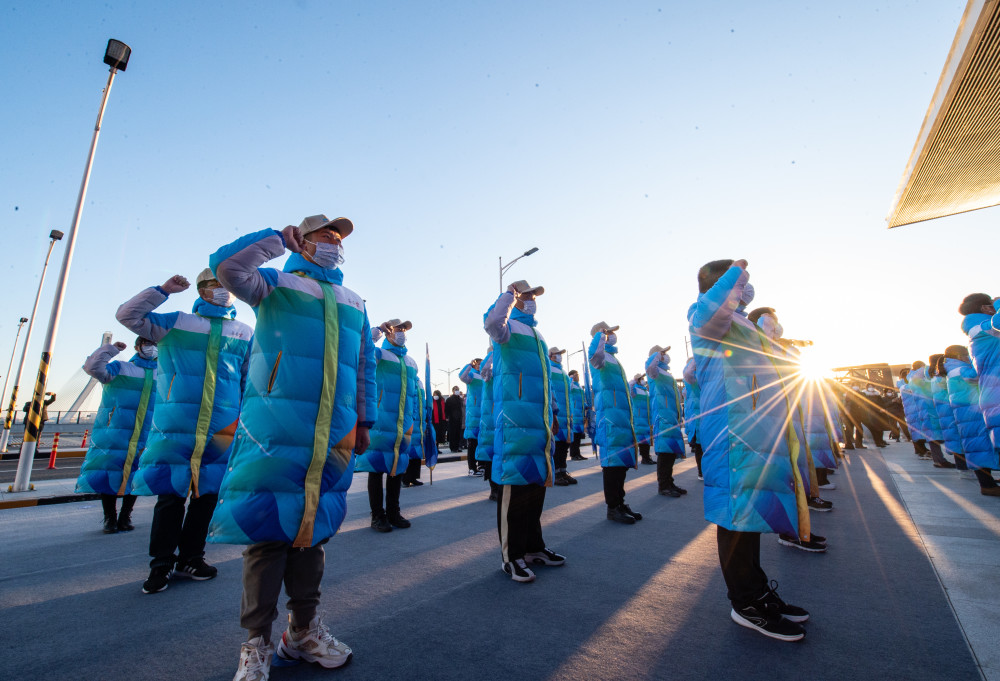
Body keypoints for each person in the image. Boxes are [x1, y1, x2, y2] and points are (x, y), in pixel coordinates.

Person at [207, 214, 376, 679]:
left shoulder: (355, 301)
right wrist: (275, 242)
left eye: (338, 239)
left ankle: (301, 632)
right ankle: (257, 642)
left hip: (335, 431)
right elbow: (225, 267)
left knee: (313, 534)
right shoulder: (275, 284)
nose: (334, 244)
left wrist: (365, 420)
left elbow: (365, 366)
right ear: (304, 241)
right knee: (268, 534)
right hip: (276, 426)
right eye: (326, 236)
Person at [690, 259, 809, 642]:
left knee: (750, 515)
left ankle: (759, 592)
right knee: (735, 515)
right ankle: (745, 603)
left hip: (754, 429)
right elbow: (709, 312)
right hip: (731, 431)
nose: (746, 288)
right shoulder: (706, 315)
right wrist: (734, 273)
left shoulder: (739, 321)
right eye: (740, 284)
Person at [117, 268, 253, 595]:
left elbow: (247, 380)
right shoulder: (177, 323)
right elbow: (127, 315)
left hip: (223, 426)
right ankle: (161, 563)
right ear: (203, 290)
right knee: (172, 495)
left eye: (227, 285)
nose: (223, 291)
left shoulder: (244, 332)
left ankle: (192, 557)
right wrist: (162, 290)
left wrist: (246, 421)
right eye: (215, 285)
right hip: (177, 422)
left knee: (207, 495)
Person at [484, 280, 565, 583]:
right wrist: (509, 294)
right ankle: (511, 556)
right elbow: (492, 321)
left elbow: (545, 380)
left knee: (534, 490)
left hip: (539, 420)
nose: (531, 300)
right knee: (514, 490)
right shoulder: (505, 330)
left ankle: (534, 548)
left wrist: (553, 412)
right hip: (516, 421)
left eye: (533, 296)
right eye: (526, 295)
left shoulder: (537, 335)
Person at [75, 337, 158, 534]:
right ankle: (109, 518)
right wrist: (110, 350)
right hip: (115, 433)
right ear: (138, 347)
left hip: (146, 434)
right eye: (147, 343)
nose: (152, 348)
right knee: (109, 473)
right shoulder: (121, 368)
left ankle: (125, 516)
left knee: (135, 475)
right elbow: (92, 367)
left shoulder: (162, 373)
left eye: (155, 344)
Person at [357, 320, 419, 532]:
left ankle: (394, 512)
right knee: (376, 470)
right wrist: (378, 330)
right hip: (381, 422)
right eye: (398, 329)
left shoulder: (411, 362)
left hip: (403, 425)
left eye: (404, 329)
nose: (402, 333)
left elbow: (413, 393)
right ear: (389, 333)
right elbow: (360, 347)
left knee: (397, 469)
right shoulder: (379, 355)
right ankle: (377, 516)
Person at [589, 321, 642, 525]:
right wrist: (599, 337)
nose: (612, 335)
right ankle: (613, 507)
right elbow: (594, 354)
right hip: (610, 417)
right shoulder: (600, 357)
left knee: (621, 465)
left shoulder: (613, 358)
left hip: (621, 417)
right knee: (612, 465)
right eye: (608, 332)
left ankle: (620, 503)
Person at [944, 344, 1000, 495]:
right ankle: (987, 485)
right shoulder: (959, 370)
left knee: (980, 447)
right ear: (959, 356)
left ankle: (989, 482)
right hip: (972, 416)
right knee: (979, 448)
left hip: (968, 416)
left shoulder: (953, 370)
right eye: (966, 354)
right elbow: (977, 374)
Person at [645, 346, 686, 497]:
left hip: (671, 416)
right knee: (664, 452)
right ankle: (663, 485)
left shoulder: (665, 372)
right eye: (663, 353)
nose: (665, 356)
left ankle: (669, 482)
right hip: (662, 416)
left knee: (671, 453)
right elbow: (649, 366)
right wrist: (657, 354)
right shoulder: (654, 372)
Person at [549, 347, 578, 486]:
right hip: (557, 411)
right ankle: (555, 473)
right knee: (558, 445)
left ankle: (563, 471)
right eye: (557, 354)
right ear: (550, 355)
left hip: (567, 413)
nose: (560, 356)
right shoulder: (549, 367)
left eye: (561, 354)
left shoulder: (563, 372)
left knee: (564, 446)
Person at [477, 347, 501, 501]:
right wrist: (494, 352)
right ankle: (494, 489)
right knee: (491, 454)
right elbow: (484, 368)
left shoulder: (502, 364)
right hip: (490, 417)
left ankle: (501, 487)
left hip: (503, 413)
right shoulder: (488, 369)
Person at [402, 375, 428, 488]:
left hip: (420, 422)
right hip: (410, 420)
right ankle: (405, 477)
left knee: (417, 451)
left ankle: (414, 477)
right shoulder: (407, 379)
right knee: (408, 451)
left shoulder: (419, 383)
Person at [897, 369, 929, 457]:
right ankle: (921, 450)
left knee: (916, 430)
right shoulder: (906, 386)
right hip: (913, 411)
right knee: (917, 431)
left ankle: (920, 450)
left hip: (911, 411)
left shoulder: (903, 386)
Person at [459, 359, 484, 475]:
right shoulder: (471, 375)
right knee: (472, 443)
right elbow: (461, 375)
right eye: (479, 363)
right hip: (473, 414)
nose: (481, 365)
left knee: (482, 442)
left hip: (484, 413)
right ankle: (472, 468)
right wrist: (469, 364)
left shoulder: (484, 375)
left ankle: (482, 465)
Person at [682, 357, 703, 480]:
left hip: (698, 417)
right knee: (700, 448)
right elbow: (688, 373)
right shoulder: (692, 381)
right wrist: (695, 358)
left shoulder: (690, 385)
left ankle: (703, 471)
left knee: (702, 448)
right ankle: (701, 472)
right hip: (697, 419)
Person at [630, 373, 654, 465]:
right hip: (639, 418)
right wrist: (634, 380)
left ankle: (647, 457)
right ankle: (644, 458)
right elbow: (629, 388)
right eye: (641, 379)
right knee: (642, 439)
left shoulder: (646, 391)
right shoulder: (635, 390)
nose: (643, 380)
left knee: (647, 439)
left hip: (647, 419)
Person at [567, 370, 587, 461]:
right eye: (576, 375)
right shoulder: (571, 384)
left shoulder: (579, 386)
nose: (577, 376)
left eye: (577, 374)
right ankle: (573, 454)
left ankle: (578, 453)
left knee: (578, 435)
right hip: (574, 413)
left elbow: (581, 400)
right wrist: (571, 378)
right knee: (574, 436)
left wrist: (586, 406)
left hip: (580, 413)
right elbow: (568, 388)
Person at [445, 386, 464, 453]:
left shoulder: (459, 399)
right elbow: (446, 409)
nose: (457, 391)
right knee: (452, 434)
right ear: (453, 391)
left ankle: (457, 447)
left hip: (459, 418)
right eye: (456, 389)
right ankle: (452, 447)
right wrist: (447, 417)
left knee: (458, 434)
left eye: (458, 389)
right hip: (452, 419)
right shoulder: (449, 399)